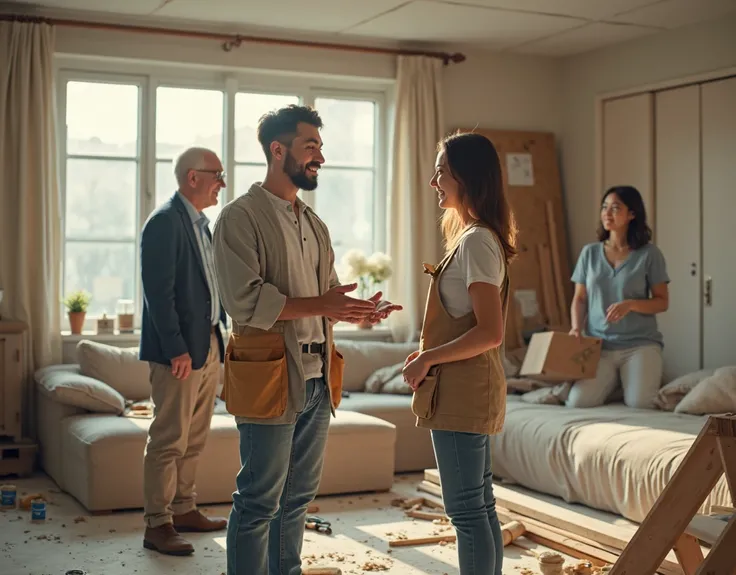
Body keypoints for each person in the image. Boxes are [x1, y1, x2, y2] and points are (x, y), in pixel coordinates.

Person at [212, 104, 401, 575]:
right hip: (270, 378)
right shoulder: (239, 218)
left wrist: (359, 311)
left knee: (296, 499)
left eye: (320, 145)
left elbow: (326, 297)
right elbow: (244, 301)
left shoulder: (315, 224)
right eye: (310, 145)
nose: (320, 156)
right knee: (258, 501)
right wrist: (324, 304)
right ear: (278, 151)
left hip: (318, 380)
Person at [402, 131, 517, 575]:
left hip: (463, 391)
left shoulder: (476, 243)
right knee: (479, 507)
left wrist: (428, 358)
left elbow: (490, 332)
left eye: (441, 173)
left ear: (466, 177)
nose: (434, 182)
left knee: (467, 512)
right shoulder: (475, 239)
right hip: (464, 388)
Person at [139, 147, 229, 556]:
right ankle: (158, 524)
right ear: (192, 177)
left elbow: (206, 287)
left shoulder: (202, 225)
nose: (222, 183)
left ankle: (185, 508)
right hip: (179, 352)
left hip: (208, 343)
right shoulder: (164, 223)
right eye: (217, 175)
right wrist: (176, 349)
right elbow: (159, 295)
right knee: (169, 438)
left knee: (195, 437)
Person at [566, 185, 669, 409]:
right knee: (577, 402)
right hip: (599, 347)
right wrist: (576, 328)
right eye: (604, 207)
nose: (607, 213)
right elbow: (580, 298)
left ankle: (626, 382)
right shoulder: (589, 253)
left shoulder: (650, 254)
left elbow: (662, 301)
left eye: (615, 208)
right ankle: (616, 384)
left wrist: (631, 305)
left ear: (632, 214)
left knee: (640, 403)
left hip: (640, 345)